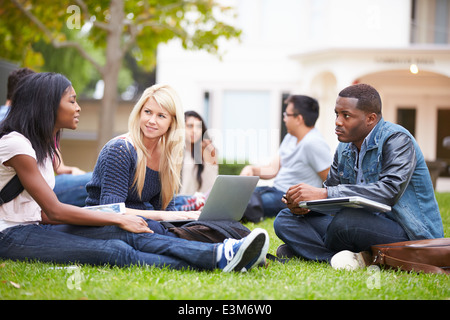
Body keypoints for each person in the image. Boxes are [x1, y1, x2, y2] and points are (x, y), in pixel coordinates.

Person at [0, 72, 269, 271]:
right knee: (117, 249)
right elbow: (56, 210)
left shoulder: (45, 148)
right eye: (72, 101)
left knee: (145, 232)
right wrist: (119, 219)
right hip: (10, 234)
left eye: (161, 116)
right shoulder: (16, 144)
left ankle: (228, 253)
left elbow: (45, 214)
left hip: (39, 226)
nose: (79, 107)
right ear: (48, 105)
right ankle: (218, 257)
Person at [274, 83, 444, 270]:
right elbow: (331, 197)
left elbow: (388, 192)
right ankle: (340, 258)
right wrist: (304, 205)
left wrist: (324, 194)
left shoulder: (397, 139)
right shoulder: (344, 148)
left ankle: (308, 250)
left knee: (346, 221)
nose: (338, 121)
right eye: (336, 114)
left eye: (346, 115)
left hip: (407, 233)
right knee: (285, 219)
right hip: (359, 224)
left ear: (371, 118)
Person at [1, 67, 91, 207]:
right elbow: (53, 210)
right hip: (20, 208)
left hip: (35, 199)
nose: (78, 108)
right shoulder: (17, 136)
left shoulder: (44, 132)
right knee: (97, 181)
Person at [240, 95, 332, 221]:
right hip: (274, 190)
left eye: (286, 115)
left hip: (289, 197)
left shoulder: (313, 143)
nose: (284, 119)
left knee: (240, 203)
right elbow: (273, 169)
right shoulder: (291, 137)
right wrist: (252, 170)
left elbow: (330, 182)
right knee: (238, 195)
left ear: (298, 119)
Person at [174, 111, 218, 211]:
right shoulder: (175, 151)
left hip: (201, 203)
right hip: (180, 203)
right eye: (190, 126)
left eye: (198, 127)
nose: (195, 131)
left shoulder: (206, 151)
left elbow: (210, 187)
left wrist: (209, 158)